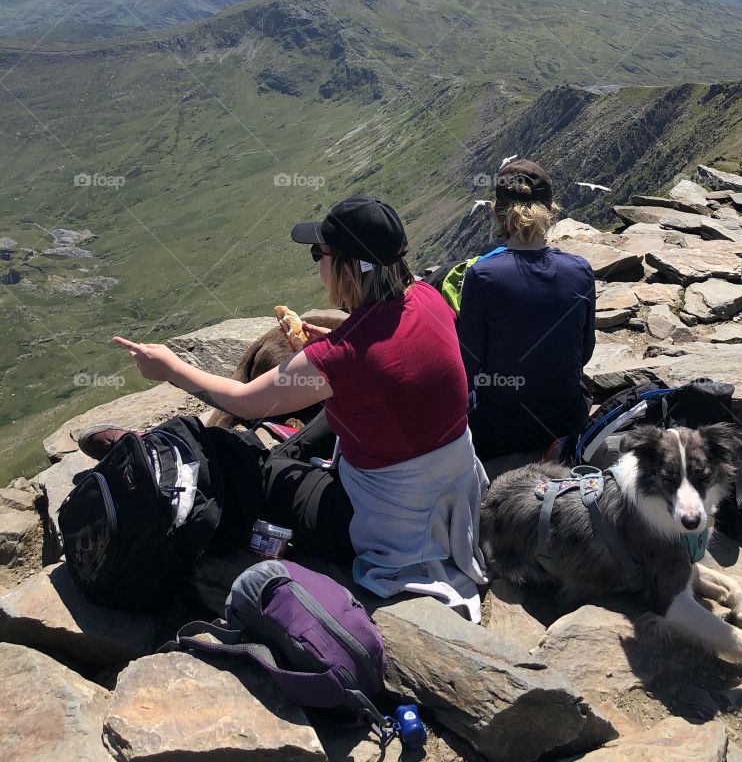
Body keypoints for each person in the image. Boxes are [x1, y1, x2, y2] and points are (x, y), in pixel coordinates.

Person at [113, 195, 488, 620]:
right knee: (326, 417)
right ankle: (284, 451)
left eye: (320, 253)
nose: (317, 263)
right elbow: (394, 357)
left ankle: (239, 465)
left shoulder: (339, 358)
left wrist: (170, 369)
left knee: (246, 467)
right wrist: (335, 343)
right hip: (453, 488)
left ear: (347, 266)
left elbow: (244, 400)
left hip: (376, 520)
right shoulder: (428, 297)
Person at [457, 159, 596, 462]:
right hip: (564, 423)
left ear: (497, 211)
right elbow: (584, 353)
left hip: (498, 433)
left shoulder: (482, 276)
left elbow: (467, 365)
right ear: (551, 209)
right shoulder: (580, 271)